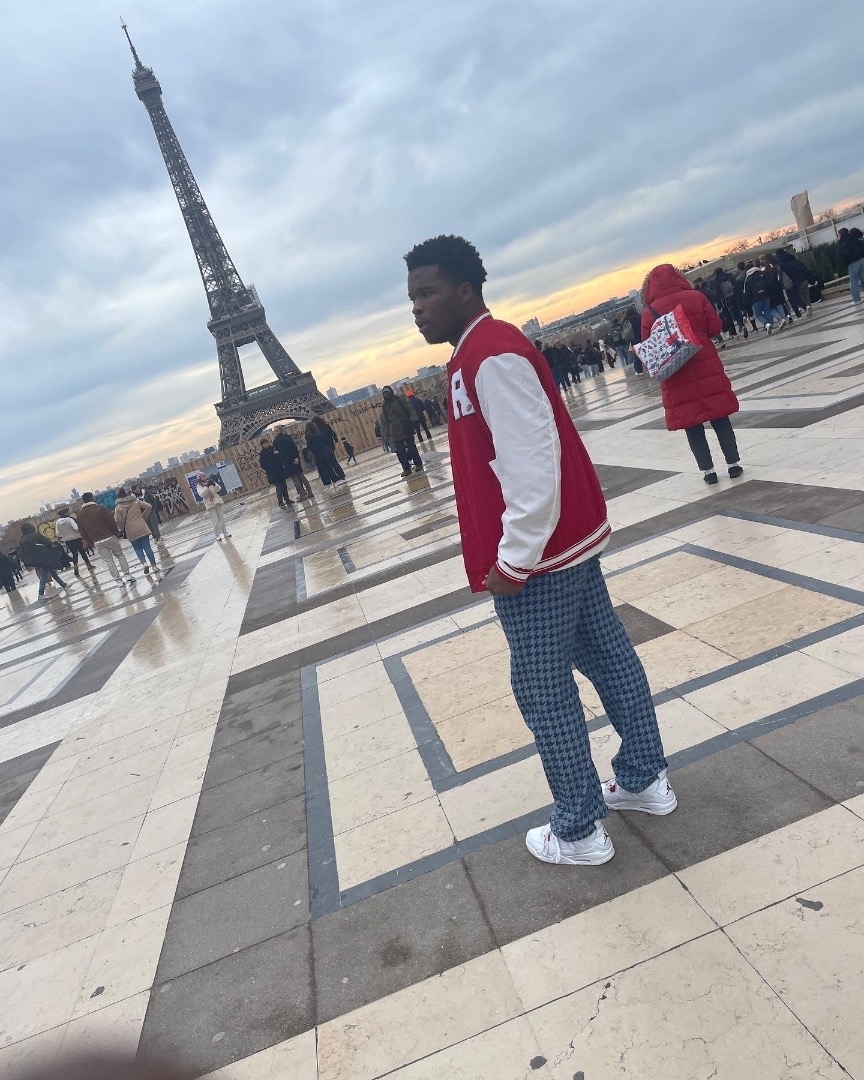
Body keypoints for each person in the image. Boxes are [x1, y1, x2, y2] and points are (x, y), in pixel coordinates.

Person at [405, 234, 675, 868]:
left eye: (427, 293)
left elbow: (531, 465)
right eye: (412, 297)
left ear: (465, 291)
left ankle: (578, 827)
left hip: (540, 558)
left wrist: (513, 560)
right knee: (607, 655)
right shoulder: (479, 353)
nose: (417, 308)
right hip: (563, 542)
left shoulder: (490, 356)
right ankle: (643, 777)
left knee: (540, 685)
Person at [641, 264, 743, 485]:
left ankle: (708, 471)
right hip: (706, 365)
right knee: (720, 416)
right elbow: (714, 328)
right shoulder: (696, 297)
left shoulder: (649, 313)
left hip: (676, 374)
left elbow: (651, 347)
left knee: (692, 425)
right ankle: (733, 464)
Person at [77, 492, 136, 585]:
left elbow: (82, 531)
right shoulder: (100, 508)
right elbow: (111, 521)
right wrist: (116, 532)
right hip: (109, 536)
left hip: (97, 541)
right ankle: (127, 575)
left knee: (109, 561)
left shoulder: (80, 514)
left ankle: (118, 581)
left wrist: (90, 541)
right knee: (120, 555)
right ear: (92, 498)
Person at [379, 386, 424, 477]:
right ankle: (406, 468)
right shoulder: (384, 405)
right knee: (400, 452)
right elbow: (386, 421)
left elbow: (409, 409)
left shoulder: (399, 399)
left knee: (412, 447)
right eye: (384, 393)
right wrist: (386, 435)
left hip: (405, 427)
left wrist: (413, 419)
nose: (386, 394)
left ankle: (418, 464)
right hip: (394, 431)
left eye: (387, 392)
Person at [17, 522, 69, 598]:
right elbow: (47, 542)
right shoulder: (35, 535)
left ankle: (63, 585)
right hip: (43, 557)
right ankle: (40, 593)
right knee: (44, 574)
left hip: (33, 559)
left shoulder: (22, 540)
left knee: (51, 571)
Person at [115, 488, 159, 576]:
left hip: (130, 530)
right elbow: (149, 506)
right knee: (147, 546)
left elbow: (118, 521)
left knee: (137, 549)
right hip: (142, 526)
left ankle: (144, 563)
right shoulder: (136, 501)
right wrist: (143, 516)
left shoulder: (118, 508)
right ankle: (154, 566)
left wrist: (121, 528)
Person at [273, 426, 314, 498]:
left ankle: (302, 494)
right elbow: (294, 447)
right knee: (301, 476)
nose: (274, 432)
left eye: (275, 431)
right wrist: (296, 458)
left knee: (295, 479)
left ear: (278, 431)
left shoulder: (276, 441)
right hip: (295, 459)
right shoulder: (287, 437)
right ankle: (310, 492)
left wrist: (279, 454)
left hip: (288, 462)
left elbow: (282, 452)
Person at [305, 417, 346, 486]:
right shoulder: (326, 426)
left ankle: (337, 477)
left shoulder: (317, 430)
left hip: (324, 448)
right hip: (329, 447)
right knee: (334, 462)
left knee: (330, 464)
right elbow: (333, 434)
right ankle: (341, 475)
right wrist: (334, 442)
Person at [54, 507, 95, 576]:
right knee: (82, 552)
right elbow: (76, 528)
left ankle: (76, 568)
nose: (69, 513)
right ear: (65, 513)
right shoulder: (70, 520)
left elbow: (57, 533)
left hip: (67, 541)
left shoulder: (57, 522)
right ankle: (89, 565)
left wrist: (64, 535)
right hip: (76, 538)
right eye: (68, 512)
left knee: (74, 554)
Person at [742, 259, 777, 333]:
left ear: (747, 269)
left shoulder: (748, 278)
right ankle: (771, 324)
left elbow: (747, 291)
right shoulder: (761, 273)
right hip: (766, 294)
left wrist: (747, 300)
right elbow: (768, 283)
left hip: (756, 298)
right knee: (767, 310)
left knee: (758, 314)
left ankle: (766, 324)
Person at [258, 437, 294, 507]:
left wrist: (278, 456)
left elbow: (280, 457)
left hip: (279, 470)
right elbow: (262, 464)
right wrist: (269, 468)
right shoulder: (262, 453)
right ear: (262, 445)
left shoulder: (273, 449)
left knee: (284, 485)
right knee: (279, 486)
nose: (266, 444)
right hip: (272, 472)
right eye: (264, 443)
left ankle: (287, 499)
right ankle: (280, 501)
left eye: (267, 442)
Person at [837, 227, 864, 304]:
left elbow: (845, 255)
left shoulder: (844, 244)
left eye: (838, 235)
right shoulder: (854, 239)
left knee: (853, 281)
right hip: (861, 260)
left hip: (852, 263)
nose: (838, 237)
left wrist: (844, 262)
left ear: (842, 235)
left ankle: (856, 299)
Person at [622, 306, 644, 373]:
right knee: (644, 352)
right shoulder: (639, 316)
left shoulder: (626, 319)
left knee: (636, 356)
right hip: (641, 336)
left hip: (632, 339)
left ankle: (639, 370)